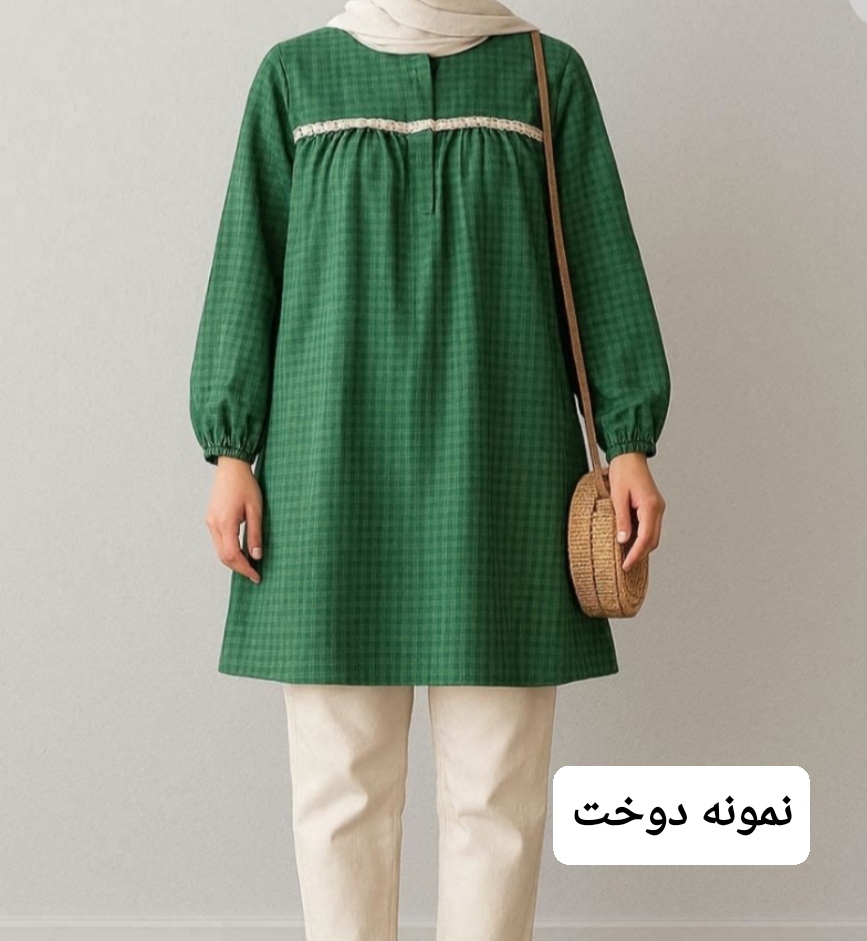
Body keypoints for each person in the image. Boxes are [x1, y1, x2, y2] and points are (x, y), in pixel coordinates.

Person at [189, 1, 672, 938]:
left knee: (498, 794)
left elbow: (600, 261)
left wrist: (628, 443)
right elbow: (250, 263)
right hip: (327, 467)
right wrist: (231, 450)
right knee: (339, 791)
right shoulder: (296, 76)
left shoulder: (546, 73)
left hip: (504, 464)